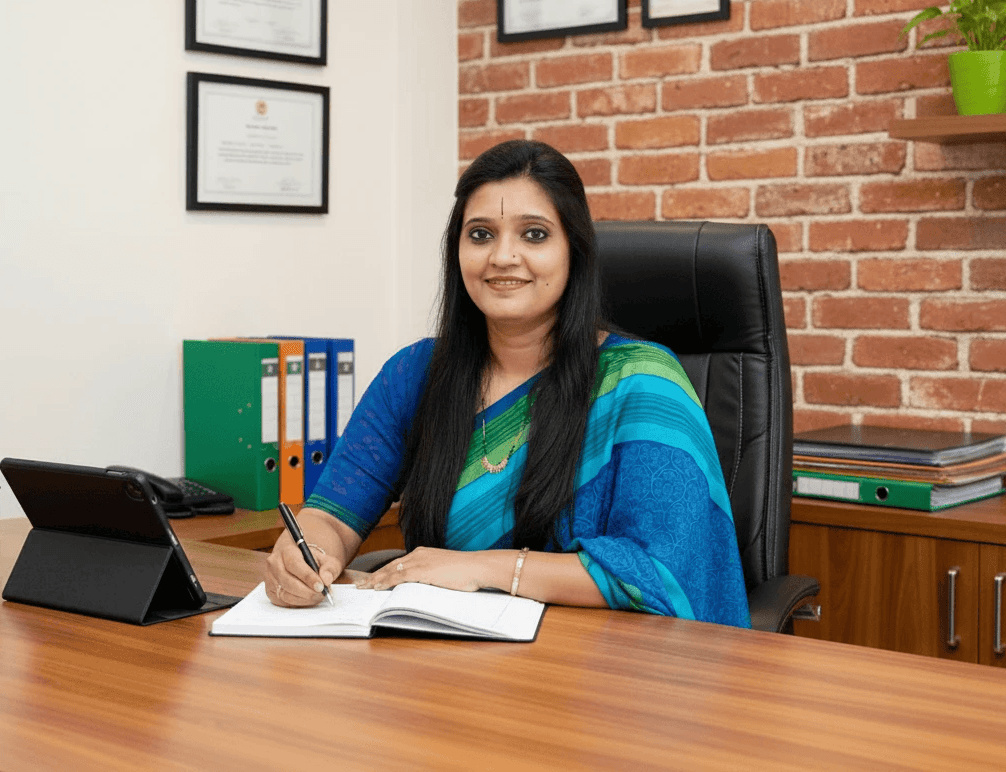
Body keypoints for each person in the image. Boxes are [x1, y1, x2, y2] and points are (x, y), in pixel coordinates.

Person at [264, 139, 750, 627]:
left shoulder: (642, 382)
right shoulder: (415, 374)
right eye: (480, 235)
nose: (502, 256)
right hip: (443, 652)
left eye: (534, 234)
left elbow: (661, 574)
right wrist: (305, 555)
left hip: (600, 658)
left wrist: (481, 568)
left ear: (574, 249)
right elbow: (331, 516)